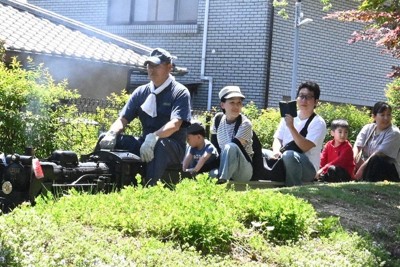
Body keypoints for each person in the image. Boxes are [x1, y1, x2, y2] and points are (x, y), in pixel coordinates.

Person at [97, 48, 192, 186]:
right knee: (106, 137)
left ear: (169, 67)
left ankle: (149, 188)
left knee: (159, 144)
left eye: (156, 66)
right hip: (145, 143)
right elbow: (123, 119)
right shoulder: (141, 92)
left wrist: (154, 137)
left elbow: (176, 124)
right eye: (149, 66)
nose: (151, 70)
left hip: (171, 147)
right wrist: (112, 133)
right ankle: (96, 179)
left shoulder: (179, 92)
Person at [267, 81, 327, 186]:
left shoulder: (318, 122)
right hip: (284, 156)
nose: (304, 100)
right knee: (261, 152)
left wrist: (291, 127)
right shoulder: (289, 116)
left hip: (308, 168)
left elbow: (304, 147)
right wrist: (276, 151)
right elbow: (278, 138)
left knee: (289, 155)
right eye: (301, 96)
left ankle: (293, 189)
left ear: (316, 101)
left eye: (308, 97)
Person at [210, 86, 253, 183]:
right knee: (212, 174)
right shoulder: (217, 119)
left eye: (239, 103)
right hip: (223, 164)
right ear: (222, 105)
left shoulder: (245, 123)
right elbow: (214, 147)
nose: (236, 106)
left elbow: (233, 149)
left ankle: (223, 181)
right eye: (232, 102)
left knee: (231, 146)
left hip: (243, 170)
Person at [353, 102, 400, 182]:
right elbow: (357, 146)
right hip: (368, 166)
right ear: (374, 116)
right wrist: (353, 160)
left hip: (388, 171)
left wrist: (361, 169)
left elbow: (379, 153)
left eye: (388, 115)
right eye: (382, 115)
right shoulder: (367, 128)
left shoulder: (394, 133)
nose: (386, 118)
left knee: (377, 160)